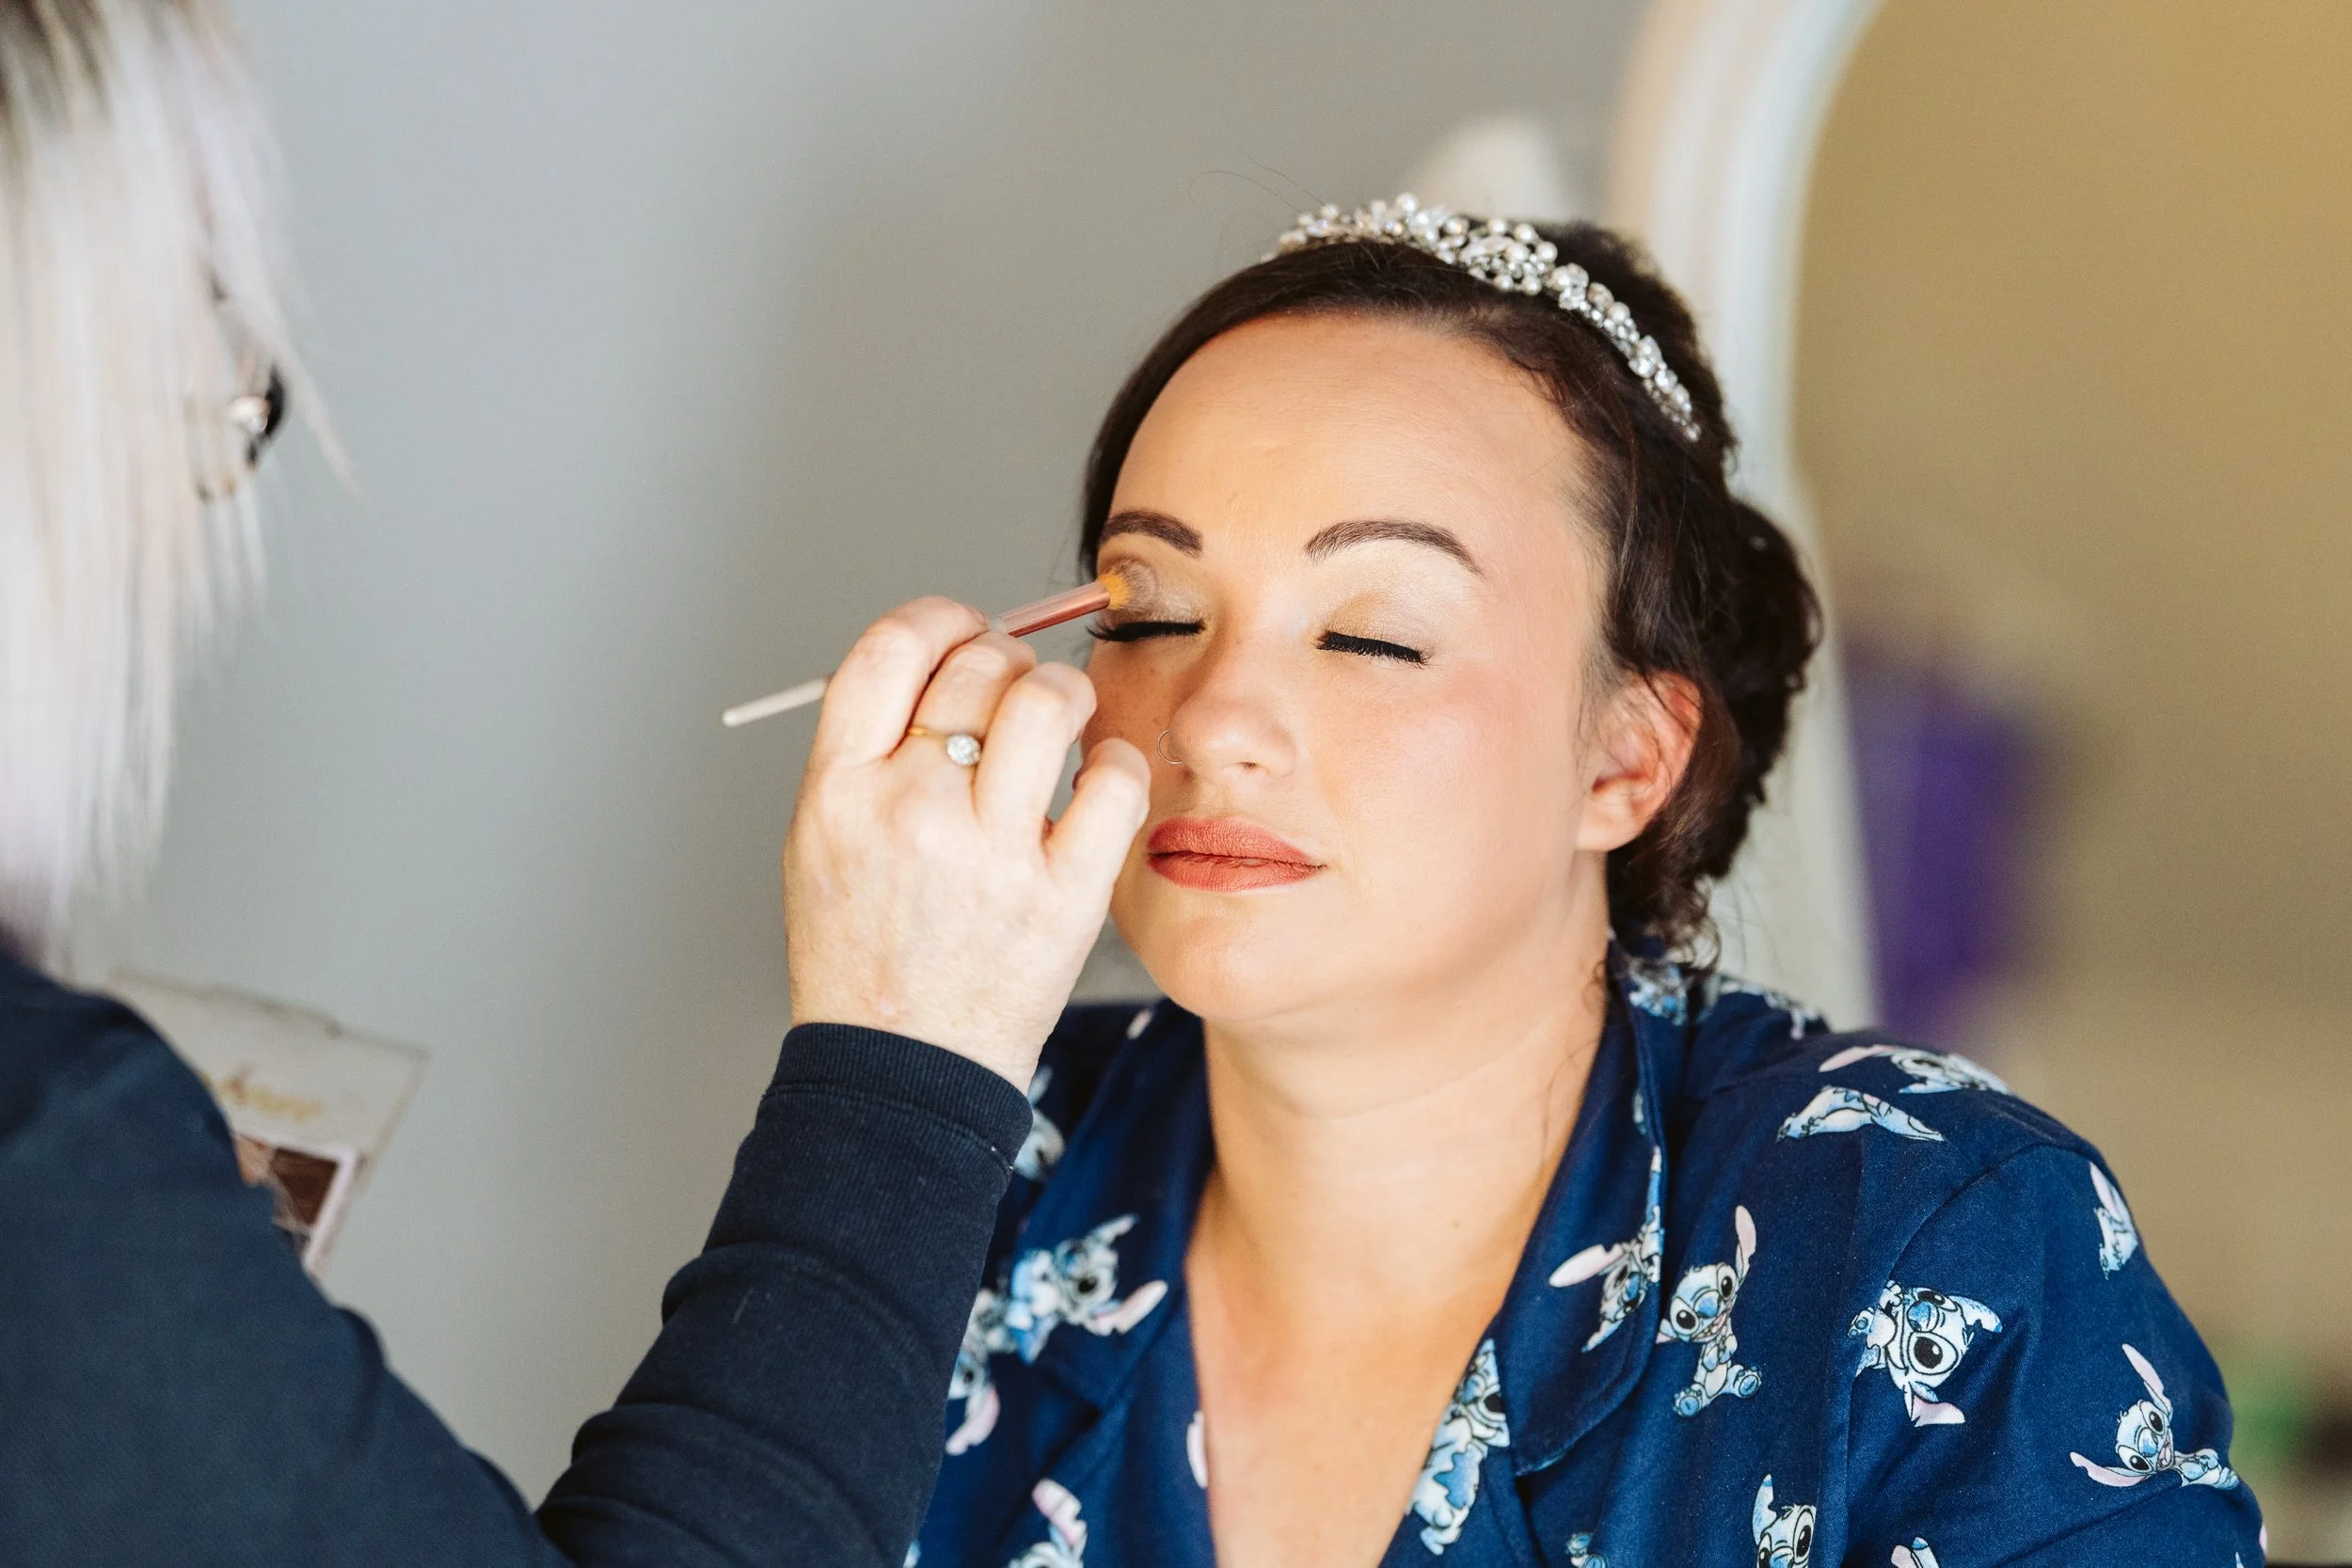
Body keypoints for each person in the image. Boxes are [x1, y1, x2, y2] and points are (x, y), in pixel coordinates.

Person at [902, 198, 2267, 1567]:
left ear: (1626, 760)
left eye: (1374, 634)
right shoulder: (943, 1170)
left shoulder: (1930, 1245)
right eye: (1151, 611)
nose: (1209, 720)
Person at [0, 3, 1145, 1563]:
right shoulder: (48, 1148)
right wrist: (904, 1053)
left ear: (1615, 759)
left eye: (1369, 634)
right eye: (197, 365)